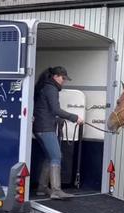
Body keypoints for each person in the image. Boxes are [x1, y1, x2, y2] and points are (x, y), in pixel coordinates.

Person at [33, 66, 84, 199]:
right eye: (63, 78)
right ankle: (56, 190)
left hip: (40, 126)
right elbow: (56, 109)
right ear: (55, 76)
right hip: (45, 128)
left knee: (50, 156)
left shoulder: (46, 87)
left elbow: (46, 110)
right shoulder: (51, 89)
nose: (64, 81)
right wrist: (75, 118)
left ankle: (42, 188)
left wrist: (58, 119)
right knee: (57, 156)